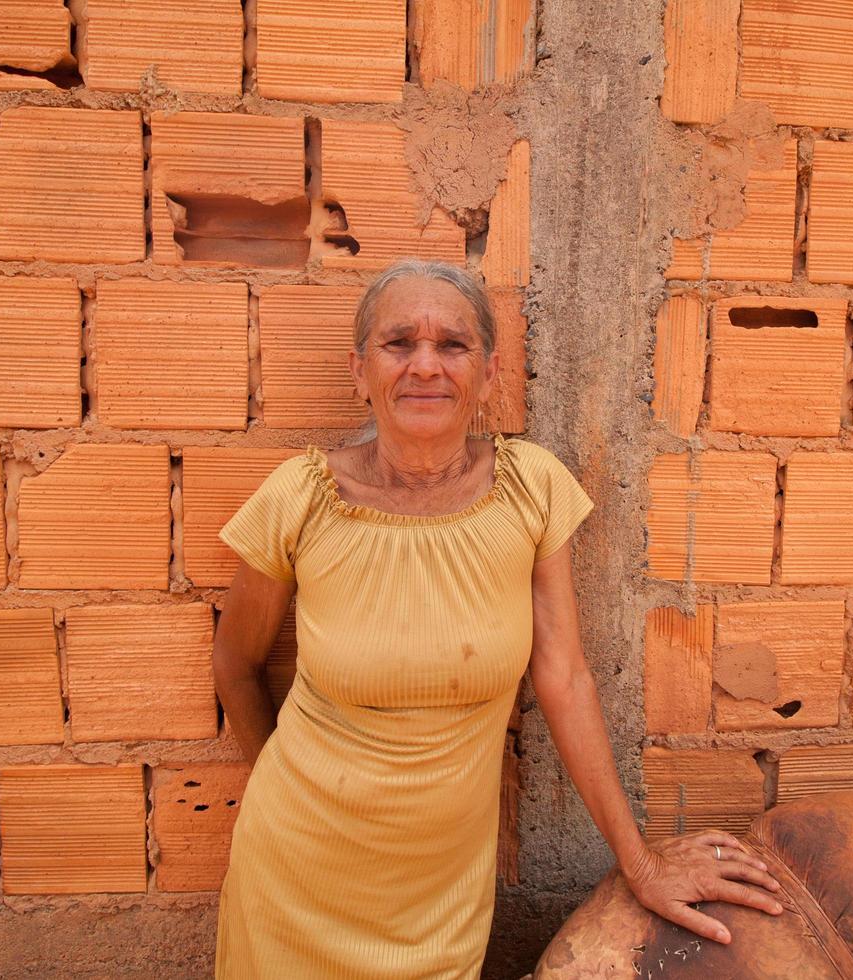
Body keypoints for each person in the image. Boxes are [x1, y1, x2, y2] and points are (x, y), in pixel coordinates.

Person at [210, 259, 782, 978]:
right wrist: (272, 789)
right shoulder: (301, 497)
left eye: (453, 345)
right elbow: (235, 663)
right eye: (398, 344)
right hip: (294, 877)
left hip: (439, 902)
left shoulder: (531, 488)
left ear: (489, 373)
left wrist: (639, 863)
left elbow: (565, 678)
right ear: (360, 371)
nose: (426, 365)